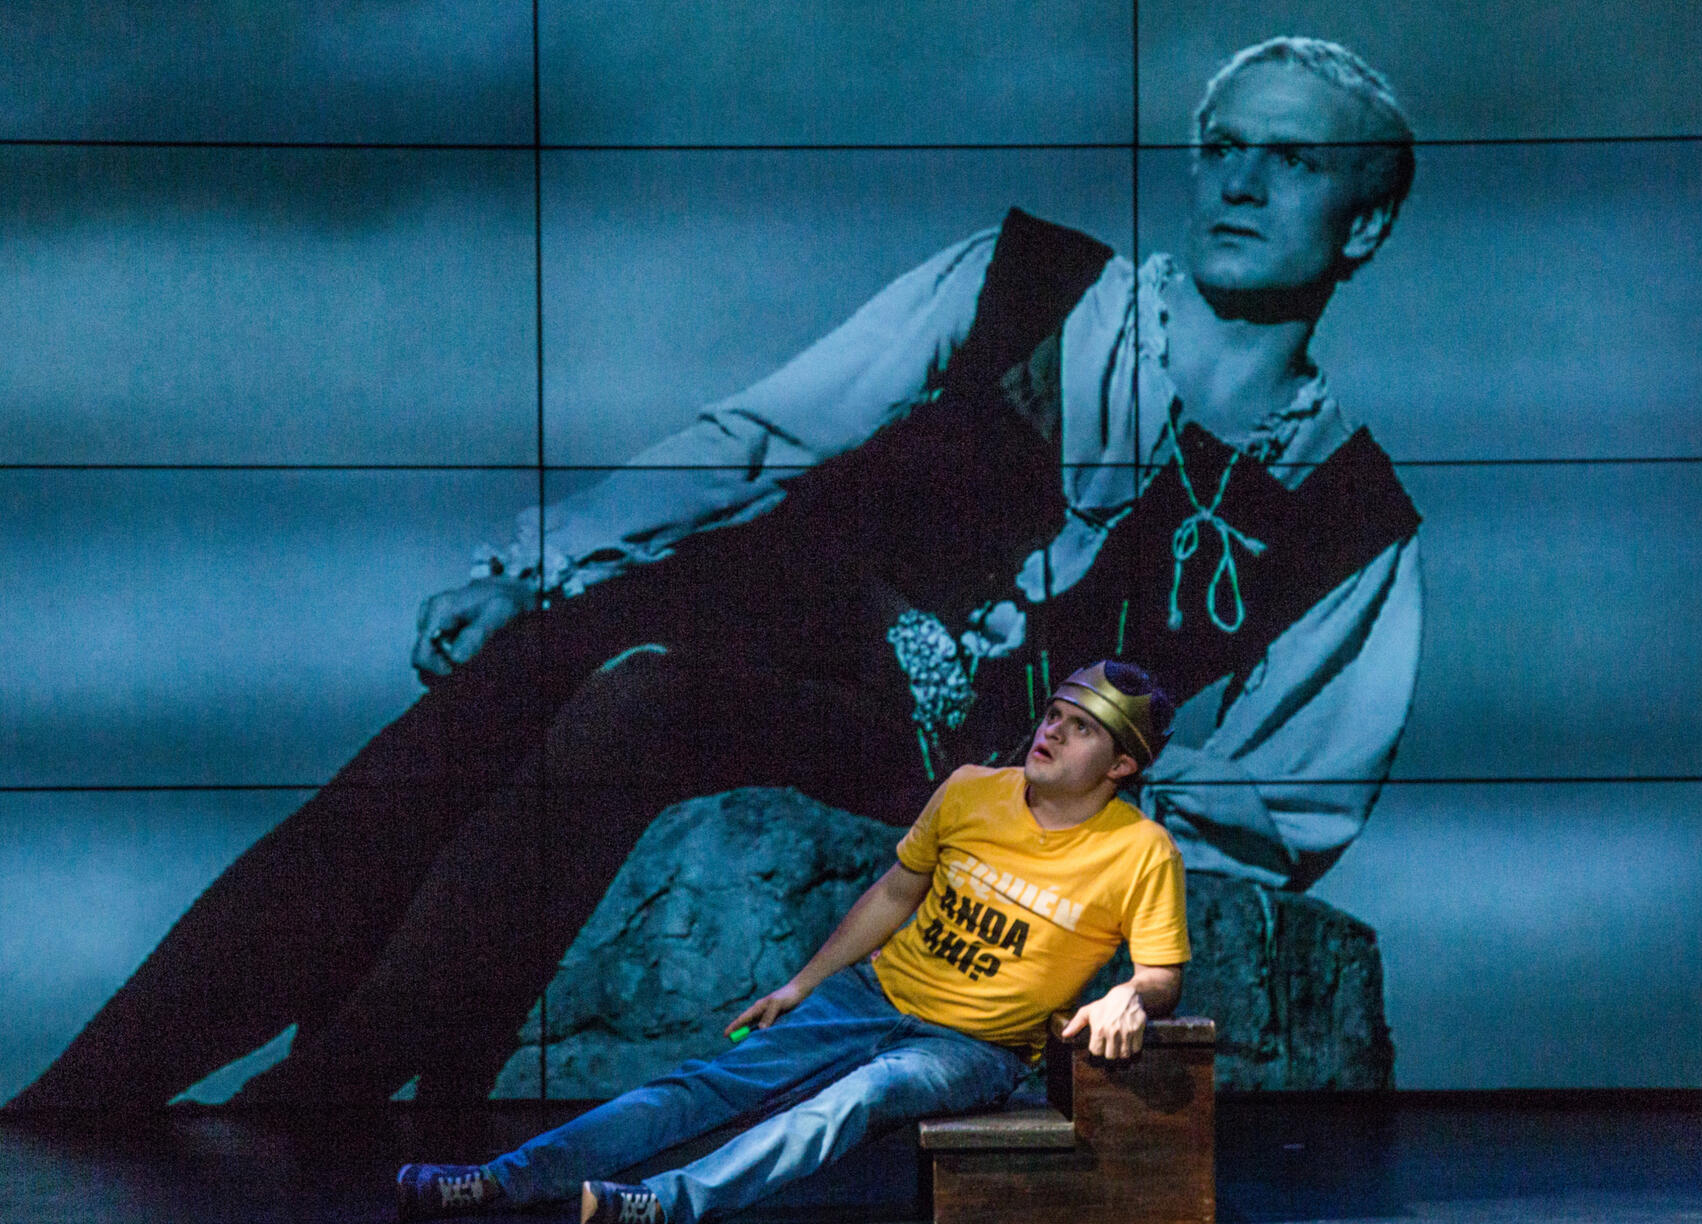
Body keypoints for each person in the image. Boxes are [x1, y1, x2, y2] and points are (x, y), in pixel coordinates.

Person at [10, 35, 1423, 1113]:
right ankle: (96, 1092)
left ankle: (323, 1092)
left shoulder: (1352, 519)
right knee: (541, 665)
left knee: (650, 702)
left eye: (1294, 162)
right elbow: (763, 435)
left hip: (935, 763)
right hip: (783, 595)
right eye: (1225, 144)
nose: (1241, 179)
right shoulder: (1028, 280)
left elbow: (1276, 818)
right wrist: (546, 561)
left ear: (1362, 226)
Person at [397, 662, 1187, 1224]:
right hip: (871, 996)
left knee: (859, 1096)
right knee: (706, 1081)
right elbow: (895, 892)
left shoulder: (1138, 850)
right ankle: (498, 1180)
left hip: (974, 1048)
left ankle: (671, 1200)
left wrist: (1131, 994)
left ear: (1121, 764)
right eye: (1053, 713)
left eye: (1080, 728)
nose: (1051, 731)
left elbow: (1160, 975)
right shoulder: (973, 788)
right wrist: (803, 982)